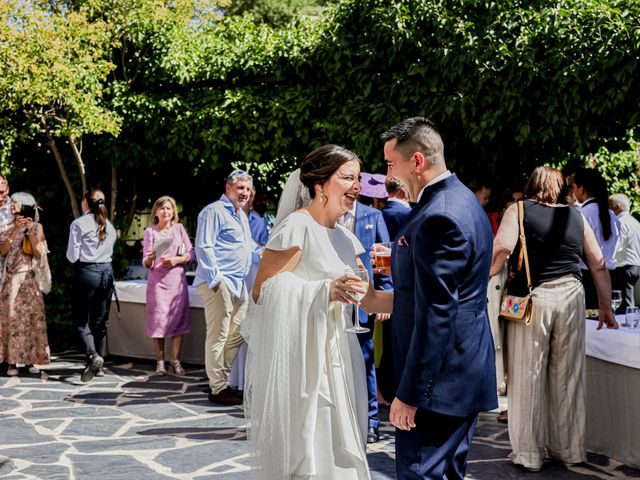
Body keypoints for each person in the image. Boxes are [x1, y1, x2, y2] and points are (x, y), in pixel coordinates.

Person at [244, 144, 393, 479]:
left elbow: (368, 301)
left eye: (358, 178)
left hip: (342, 357)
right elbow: (261, 292)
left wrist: (415, 298)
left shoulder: (346, 239)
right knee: (314, 453)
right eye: (347, 178)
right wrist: (323, 291)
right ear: (320, 184)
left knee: (343, 451)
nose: (357, 186)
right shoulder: (296, 227)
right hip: (307, 365)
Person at [379, 117, 497, 480]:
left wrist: (411, 392)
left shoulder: (438, 216)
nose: (389, 175)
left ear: (416, 162)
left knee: (421, 473)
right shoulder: (459, 199)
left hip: (438, 383)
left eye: (390, 164)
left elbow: (437, 312)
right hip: (460, 371)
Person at [492, 166, 618, 472]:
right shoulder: (576, 215)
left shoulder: (518, 210)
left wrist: (480, 278)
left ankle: (529, 453)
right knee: (569, 375)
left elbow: (503, 248)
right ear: (562, 187)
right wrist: (605, 306)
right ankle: (570, 450)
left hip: (534, 300)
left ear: (531, 185)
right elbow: (598, 264)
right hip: (572, 296)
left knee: (528, 374)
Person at [194, 169, 255, 406]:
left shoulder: (241, 215)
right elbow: (204, 246)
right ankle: (218, 387)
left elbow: (249, 247)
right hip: (219, 283)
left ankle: (221, 379)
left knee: (240, 331)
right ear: (228, 188)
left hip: (238, 283)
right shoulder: (214, 211)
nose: (245, 193)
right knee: (218, 335)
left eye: (248, 189)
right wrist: (216, 279)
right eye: (241, 188)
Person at [339, 175, 392, 444]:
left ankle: (371, 421)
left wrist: (384, 295)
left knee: (365, 359)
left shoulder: (373, 215)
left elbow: (383, 258)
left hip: (364, 301)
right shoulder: (330, 216)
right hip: (335, 300)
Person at [66, 188, 117, 382]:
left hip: (87, 272)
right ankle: (100, 364)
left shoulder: (79, 223)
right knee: (100, 319)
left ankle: (93, 355)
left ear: (85, 202)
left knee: (81, 321)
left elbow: (72, 256)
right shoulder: (109, 225)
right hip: (107, 272)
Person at [142, 196, 195, 376]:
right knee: (158, 321)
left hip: (176, 282)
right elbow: (145, 262)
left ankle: (176, 361)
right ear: (156, 212)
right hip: (157, 282)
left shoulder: (179, 229)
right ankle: (160, 362)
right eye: (162, 208)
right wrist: (150, 258)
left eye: (169, 208)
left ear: (174, 212)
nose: (166, 211)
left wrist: (176, 260)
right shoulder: (150, 232)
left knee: (178, 320)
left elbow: (191, 254)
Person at [0, 192, 50, 376]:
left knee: (31, 321)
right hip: (11, 280)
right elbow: (3, 251)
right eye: (11, 202)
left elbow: (38, 253)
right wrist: (14, 231)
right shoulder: (5, 227)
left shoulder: (37, 227)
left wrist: (29, 231)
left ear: (25, 205)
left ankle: (31, 361)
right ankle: (12, 363)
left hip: (29, 280)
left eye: (15, 202)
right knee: (12, 321)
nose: (11, 205)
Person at [376, 177, 412, 406]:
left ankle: (383, 391)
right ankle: (393, 390)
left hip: (382, 282)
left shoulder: (378, 213)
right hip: (401, 285)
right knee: (396, 343)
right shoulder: (409, 216)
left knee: (383, 343)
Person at [571, 167, 621, 308]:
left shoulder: (581, 214)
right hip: (609, 278)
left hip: (587, 279)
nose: (573, 192)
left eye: (574, 187)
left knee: (587, 325)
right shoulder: (612, 216)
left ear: (581, 189)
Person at [609, 193, 640, 311]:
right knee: (628, 300)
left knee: (624, 303)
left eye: (610, 206)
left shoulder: (620, 222)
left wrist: (605, 261)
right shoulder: (635, 222)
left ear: (616, 207)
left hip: (624, 266)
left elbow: (616, 245)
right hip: (636, 265)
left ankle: (628, 327)